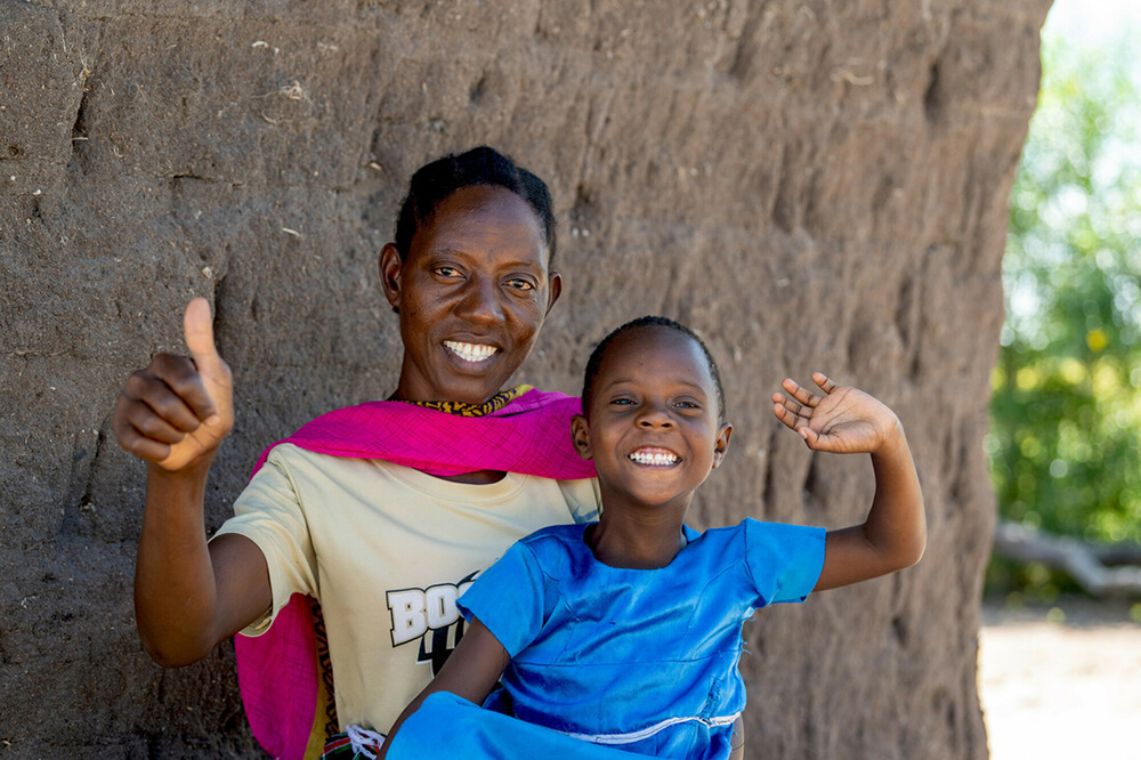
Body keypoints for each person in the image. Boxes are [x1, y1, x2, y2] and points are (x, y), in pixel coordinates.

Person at [112, 147, 605, 760]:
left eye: (518, 283)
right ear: (396, 277)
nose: (483, 308)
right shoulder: (316, 479)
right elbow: (180, 633)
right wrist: (178, 478)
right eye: (448, 272)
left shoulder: (588, 456)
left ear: (549, 298)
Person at [379, 316, 927, 759]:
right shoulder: (540, 571)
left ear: (719, 445)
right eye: (624, 401)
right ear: (583, 434)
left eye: (685, 405)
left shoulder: (739, 563)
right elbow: (437, 724)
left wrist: (889, 439)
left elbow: (891, 546)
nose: (655, 419)